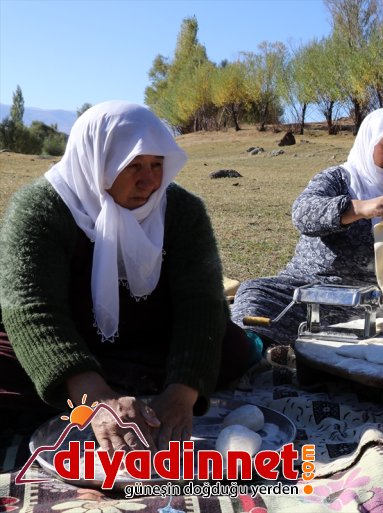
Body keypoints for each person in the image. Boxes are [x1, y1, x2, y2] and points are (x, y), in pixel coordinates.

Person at [0, 101, 258, 451]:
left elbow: (202, 303)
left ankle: (129, 385)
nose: (150, 180)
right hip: (72, 339)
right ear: (97, 161)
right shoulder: (39, 209)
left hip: (151, 340)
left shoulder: (183, 211)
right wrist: (94, 396)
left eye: (157, 164)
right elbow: (32, 308)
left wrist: (182, 391)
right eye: (134, 165)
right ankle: (106, 385)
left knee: (231, 347)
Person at [232, 107, 383, 346]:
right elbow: (303, 213)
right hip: (319, 291)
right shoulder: (339, 179)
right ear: (369, 142)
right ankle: (253, 351)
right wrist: (359, 208)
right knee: (257, 295)